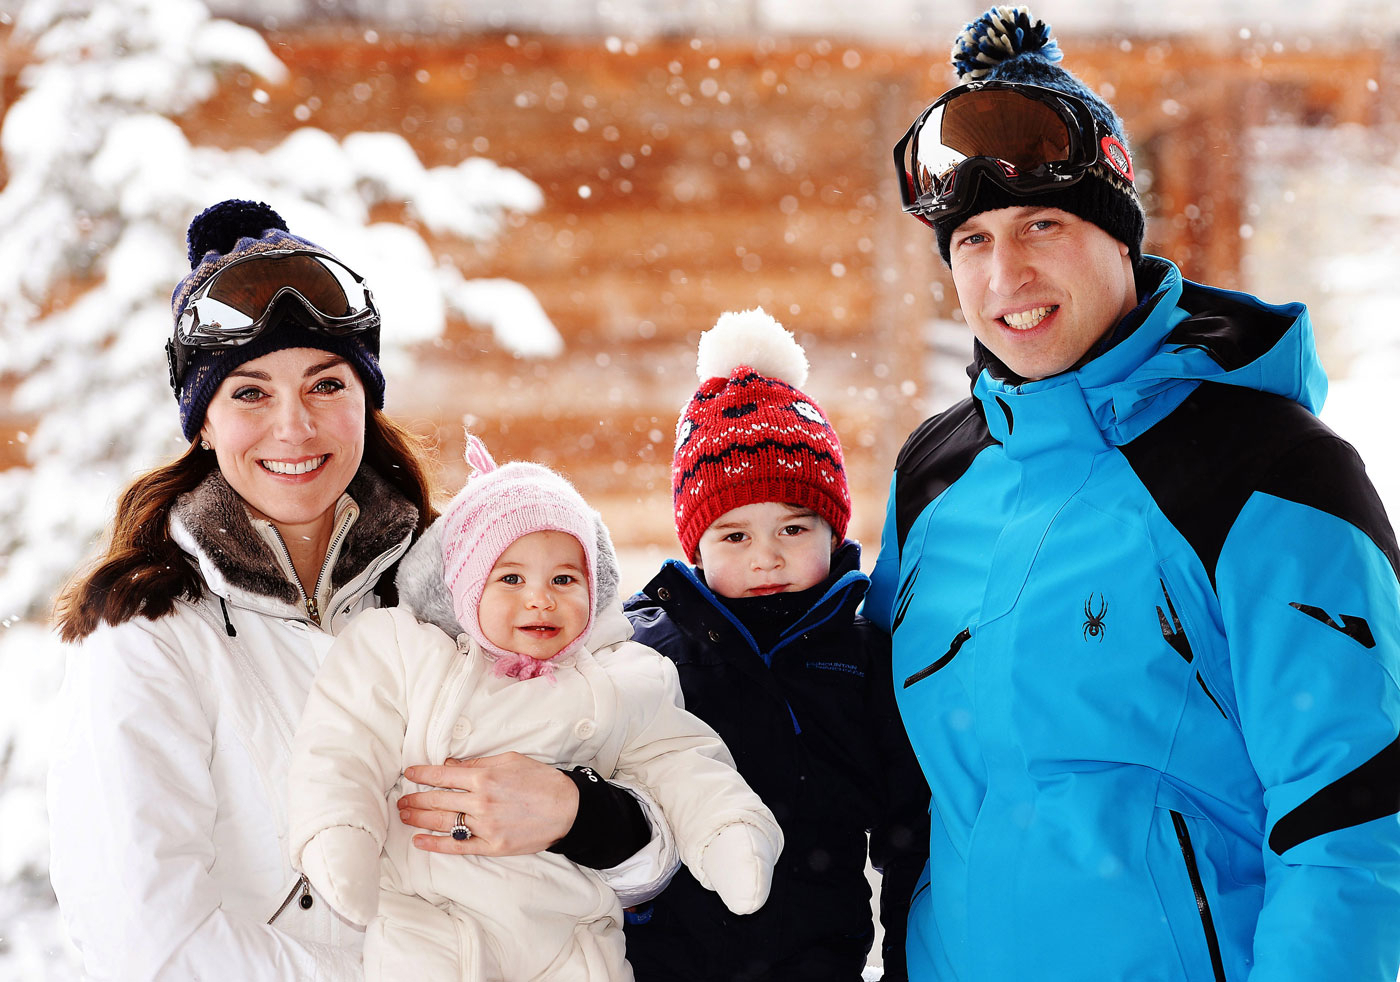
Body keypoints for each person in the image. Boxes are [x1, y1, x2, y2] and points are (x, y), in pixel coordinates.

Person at [869, 6, 1400, 980]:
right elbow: (902, 793)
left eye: (1041, 224)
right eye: (971, 240)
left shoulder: (1268, 472)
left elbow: (1353, 822)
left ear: (1119, 239)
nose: (1006, 273)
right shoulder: (933, 478)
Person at [47, 199, 677, 980]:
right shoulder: (148, 633)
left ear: (364, 398)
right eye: (250, 393)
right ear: (202, 421)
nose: (294, 427)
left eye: (325, 385)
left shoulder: (462, 584)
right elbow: (145, 937)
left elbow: (654, 834)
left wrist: (584, 814)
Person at [287, 437, 783, 980]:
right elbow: (344, 743)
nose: (541, 599)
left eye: (564, 579)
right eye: (511, 578)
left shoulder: (621, 676)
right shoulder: (409, 653)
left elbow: (682, 762)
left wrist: (726, 829)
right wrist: (340, 830)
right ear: (465, 587)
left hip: (570, 935)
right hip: (432, 925)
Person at [623, 308, 929, 981]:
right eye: (735, 536)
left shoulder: (863, 657)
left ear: (833, 530)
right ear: (696, 547)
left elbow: (910, 833)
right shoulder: (645, 652)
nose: (766, 557)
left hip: (816, 960)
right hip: (665, 962)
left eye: (793, 529)